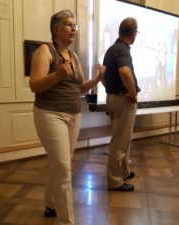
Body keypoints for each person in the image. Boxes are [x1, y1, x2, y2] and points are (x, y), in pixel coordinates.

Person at [29, 10, 106, 225]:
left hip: (73, 116)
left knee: (60, 164)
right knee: (64, 169)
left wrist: (98, 78)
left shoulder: (73, 56)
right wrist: (58, 74)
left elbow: (78, 87)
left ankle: (51, 204)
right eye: (68, 24)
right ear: (56, 29)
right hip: (50, 115)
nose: (73, 29)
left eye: (75, 25)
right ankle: (67, 221)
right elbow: (35, 85)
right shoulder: (46, 51)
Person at [102, 17, 141, 192]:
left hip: (113, 98)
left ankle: (124, 171)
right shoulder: (123, 50)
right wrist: (133, 95)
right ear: (133, 34)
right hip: (123, 101)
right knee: (120, 141)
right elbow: (125, 72)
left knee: (123, 139)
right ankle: (114, 181)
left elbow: (102, 75)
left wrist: (110, 90)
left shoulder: (111, 49)